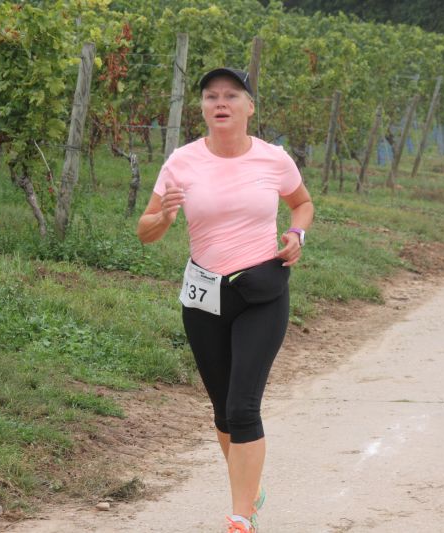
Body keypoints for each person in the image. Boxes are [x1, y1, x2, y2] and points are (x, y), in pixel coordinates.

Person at [137, 67, 314, 533]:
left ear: (249, 107)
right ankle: (249, 489)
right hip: (205, 298)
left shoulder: (274, 159)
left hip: (262, 292)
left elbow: (302, 203)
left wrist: (296, 234)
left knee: (242, 408)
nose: (220, 103)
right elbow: (145, 231)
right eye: (211, 96)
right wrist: (164, 218)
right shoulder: (181, 162)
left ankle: (240, 517)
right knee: (222, 412)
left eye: (231, 95)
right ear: (202, 108)